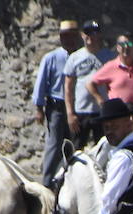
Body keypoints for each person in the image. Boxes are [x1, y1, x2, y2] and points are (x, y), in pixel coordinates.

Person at [33, 20, 83, 184]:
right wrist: (39, 108)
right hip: (56, 106)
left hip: (76, 107)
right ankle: (47, 182)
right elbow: (41, 83)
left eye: (72, 36)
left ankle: (70, 180)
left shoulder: (82, 57)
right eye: (65, 36)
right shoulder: (52, 58)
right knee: (54, 144)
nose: (69, 40)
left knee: (74, 145)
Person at [88, 34, 133, 141]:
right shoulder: (111, 66)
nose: (126, 47)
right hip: (118, 124)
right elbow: (90, 84)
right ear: (117, 47)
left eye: (129, 44)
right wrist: (100, 101)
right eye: (122, 44)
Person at [64, 21, 113, 148]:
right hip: (81, 111)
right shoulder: (75, 57)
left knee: (104, 149)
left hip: (102, 112)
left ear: (99, 35)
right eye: (87, 33)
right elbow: (68, 87)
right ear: (82, 35)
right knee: (75, 149)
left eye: (94, 33)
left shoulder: (109, 57)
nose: (90, 36)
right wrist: (70, 113)